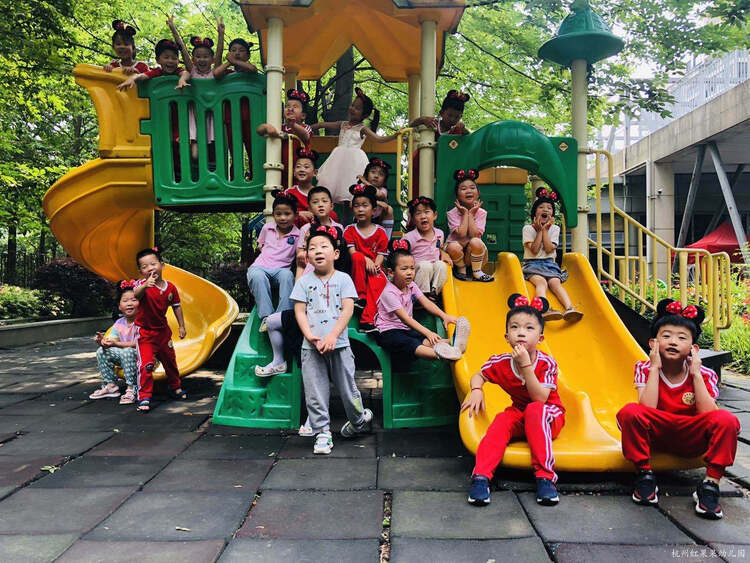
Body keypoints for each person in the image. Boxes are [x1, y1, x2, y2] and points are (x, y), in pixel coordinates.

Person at [616, 299, 740, 520]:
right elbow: (646, 408)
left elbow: (709, 415)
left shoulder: (705, 374)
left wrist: (696, 374)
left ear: (693, 348)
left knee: (727, 419)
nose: (673, 342)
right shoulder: (644, 368)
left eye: (682, 338)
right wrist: (655, 368)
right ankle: (644, 475)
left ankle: (710, 485)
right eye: (666, 336)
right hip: (656, 437)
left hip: (691, 438)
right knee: (630, 412)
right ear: (653, 343)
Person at [462, 294, 564, 507]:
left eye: (529, 328)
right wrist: (476, 389)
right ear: (507, 337)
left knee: (535, 409)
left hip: (549, 414)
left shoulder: (546, 363)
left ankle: (545, 478)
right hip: (521, 412)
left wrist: (526, 365)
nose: (521, 332)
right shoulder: (501, 362)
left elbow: (540, 398)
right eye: (515, 327)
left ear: (541, 338)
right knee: (502, 420)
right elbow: (479, 375)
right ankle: (481, 477)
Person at [290, 226, 374, 454]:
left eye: (323, 246)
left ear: (336, 254)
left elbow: (348, 309)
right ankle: (322, 433)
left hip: (340, 345)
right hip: (311, 347)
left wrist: (333, 336)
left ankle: (358, 419)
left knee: (348, 390)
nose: (318, 251)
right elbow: (299, 311)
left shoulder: (344, 279)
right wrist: (309, 335)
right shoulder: (303, 282)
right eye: (312, 248)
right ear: (307, 256)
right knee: (315, 391)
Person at [375, 239, 468, 362]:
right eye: (404, 269)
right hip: (388, 332)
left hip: (405, 329)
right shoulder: (389, 292)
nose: (409, 272)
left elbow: (426, 302)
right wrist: (428, 332)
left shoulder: (411, 285)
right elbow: (405, 319)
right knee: (411, 342)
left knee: (423, 339)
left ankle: (452, 343)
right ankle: (442, 355)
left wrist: (444, 316)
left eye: (412, 268)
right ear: (391, 273)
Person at [312, 88, 401, 203]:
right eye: (353, 105)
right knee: (330, 189)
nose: (353, 109)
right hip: (337, 161)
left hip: (353, 162)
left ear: (365, 115)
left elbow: (379, 139)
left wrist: (394, 135)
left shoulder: (362, 129)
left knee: (350, 193)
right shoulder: (342, 124)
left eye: (357, 108)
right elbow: (321, 125)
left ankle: (349, 213)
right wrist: (308, 128)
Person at [133, 247, 187, 413]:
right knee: (146, 365)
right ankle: (144, 396)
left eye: (153, 264)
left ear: (162, 265)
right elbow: (135, 295)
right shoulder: (141, 285)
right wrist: (145, 286)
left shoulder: (170, 288)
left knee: (170, 360)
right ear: (141, 272)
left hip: (163, 332)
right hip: (145, 333)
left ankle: (175, 387)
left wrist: (181, 326)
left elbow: (176, 306)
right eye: (144, 267)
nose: (150, 268)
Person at [523, 187, 582, 321]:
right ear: (534, 213)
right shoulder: (527, 229)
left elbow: (549, 249)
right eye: (541, 207)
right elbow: (534, 250)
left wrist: (545, 230)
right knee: (542, 283)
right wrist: (540, 230)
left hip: (550, 264)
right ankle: (543, 309)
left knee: (555, 283)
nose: (545, 210)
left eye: (549, 208)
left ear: (552, 215)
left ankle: (569, 308)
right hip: (532, 265)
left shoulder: (555, 229)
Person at [247, 191, 300, 328]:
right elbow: (261, 245)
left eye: (287, 214)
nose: (282, 218)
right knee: (257, 276)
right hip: (261, 267)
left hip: (281, 271)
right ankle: (267, 317)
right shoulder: (267, 228)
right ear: (273, 214)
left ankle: (282, 316)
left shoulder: (298, 235)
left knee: (288, 276)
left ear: (295, 215)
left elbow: (299, 255)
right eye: (278, 214)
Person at [343, 183, 389, 332]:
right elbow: (352, 252)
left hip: (374, 268)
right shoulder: (349, 230)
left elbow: (381, 254)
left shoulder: (380, 232)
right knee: (357, 257)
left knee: (378, 282)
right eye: (356, 206)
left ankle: (367, 321)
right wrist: (366, 259)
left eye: (365, 205)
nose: (360, 209)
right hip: (357, 270)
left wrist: (375, 265)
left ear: (374, 210)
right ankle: (360, 297)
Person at [89, 280, 140, 405]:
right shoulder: (119, 323)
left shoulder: (144, 321)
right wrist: (102, 342)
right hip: (127, 358)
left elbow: (139, 343)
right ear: (119, 306)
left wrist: (116, 344)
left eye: (134, 300)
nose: (129, 303)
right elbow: (112, 341)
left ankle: (132, 388)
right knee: (102, 351)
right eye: (125, 301)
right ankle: (110, 385)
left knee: (128, 351)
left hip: (145, 358)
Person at [409, 90, 472, 190]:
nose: (453, 119)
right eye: (450, 115)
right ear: (441, 113)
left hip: (443, 169)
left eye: (457, 117)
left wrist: (464, 130)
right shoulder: (432, 124)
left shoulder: (456, 130)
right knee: (419, 188)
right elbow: (411, 125)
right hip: (421, 164)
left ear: (461, 117)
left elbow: (470, 139)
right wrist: (422, 119)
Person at [215, 37, 259, 174]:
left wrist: (234, 61)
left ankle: (253, 175)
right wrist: (229, 62)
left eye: (241, 50)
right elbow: (216, 73)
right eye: (233, 50)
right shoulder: (228, 74)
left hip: (250, 118)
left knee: (253, 149)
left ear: (248, 55)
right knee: (235, 149)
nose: (237, 53)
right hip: (232, 118)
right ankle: (235, 177)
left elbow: (253, 69)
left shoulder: (249, 73)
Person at [256, 88, 313, 188]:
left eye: (295, 107)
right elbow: (258, 131)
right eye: (287, 106)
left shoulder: (305, 127)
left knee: (296, 189)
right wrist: (266, 127)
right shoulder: (280, 127)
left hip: (298, 169)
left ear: (303, 115)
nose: (290, 109)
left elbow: (305, 135)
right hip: (280, 168)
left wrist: (293, 125)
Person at [445, 169, 493, 282]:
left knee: (476, 241)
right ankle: (461, 269)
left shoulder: (481, 213)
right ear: (457, 195)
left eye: (472, 188)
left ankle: (477, 272)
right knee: (453, 246)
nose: (468, 191)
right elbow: (461, 234)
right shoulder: (452, 213)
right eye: (463, 189)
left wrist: (470, 214)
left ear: (478, 193)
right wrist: (465, 214)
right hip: (456, 254)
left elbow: (474, 235)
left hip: (475, 254)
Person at [403, 196, 451, 298]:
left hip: (433, 273)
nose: (423, 216)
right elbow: (402, 257)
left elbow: (438, 247)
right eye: (418, 213)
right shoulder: (409, 237)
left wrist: (443, 253)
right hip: (418, 273)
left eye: (427, 212)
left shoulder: (439, 234)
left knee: (441, 265)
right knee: (425, 266)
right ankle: (421, 296)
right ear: (413, 219)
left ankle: (434, 293)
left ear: (435, 215)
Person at [295, 186, 344, 279]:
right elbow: (300, 253)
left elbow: (341, 251)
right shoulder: (306, 228)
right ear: (309, 208)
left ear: (331, 206)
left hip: (333, 265)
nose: (320, 205)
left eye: (324, 201)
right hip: (311, 266)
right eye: (315, 202)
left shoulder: (338, 228)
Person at [283, 148, 338, 228]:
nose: (302, 170)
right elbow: (283, 211)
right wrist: (298, 213)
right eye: (298, 167)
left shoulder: (320, 193)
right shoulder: (289, 193)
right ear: (294, 172)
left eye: (306, 167)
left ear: (315, 173)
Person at [358, 157, 394, 238]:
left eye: (381, 174)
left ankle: (386, 238)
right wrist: (377, 202)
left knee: (389, 209)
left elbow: (379, 194)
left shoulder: (383, 190)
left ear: (384, 180)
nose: (376, 176)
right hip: (362, 218)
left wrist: (365, 182)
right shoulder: (361, 187)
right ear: (367, 174)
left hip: (378, 219)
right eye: (373, 172)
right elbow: (353, 203)